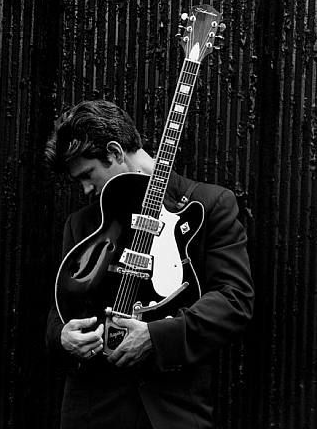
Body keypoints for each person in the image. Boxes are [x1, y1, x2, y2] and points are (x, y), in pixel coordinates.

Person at [45, 99, 254, 429]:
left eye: (87, 174)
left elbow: (234, 300)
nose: (85, 189)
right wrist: (62, 337)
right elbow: (62, 308)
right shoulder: (82, 223)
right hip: (91, 411)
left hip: (172, 410)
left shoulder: (209, 204)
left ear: (114, 153)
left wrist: (157, 337)